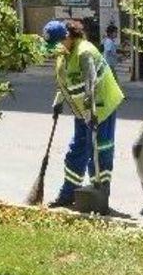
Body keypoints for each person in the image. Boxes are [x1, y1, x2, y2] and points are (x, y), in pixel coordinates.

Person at [41, 19, 124, 209]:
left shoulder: (84, 52)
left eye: (58, 43)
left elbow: (91, 83)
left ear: (67, 37)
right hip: (82, 112)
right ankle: (68, 193)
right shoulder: (63, 56)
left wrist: (91, 110)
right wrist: (58, 103)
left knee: (100, 149)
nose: (56, 48)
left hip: (101, 109)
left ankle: (100, 193)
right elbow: (65, 84)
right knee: (76, 150)